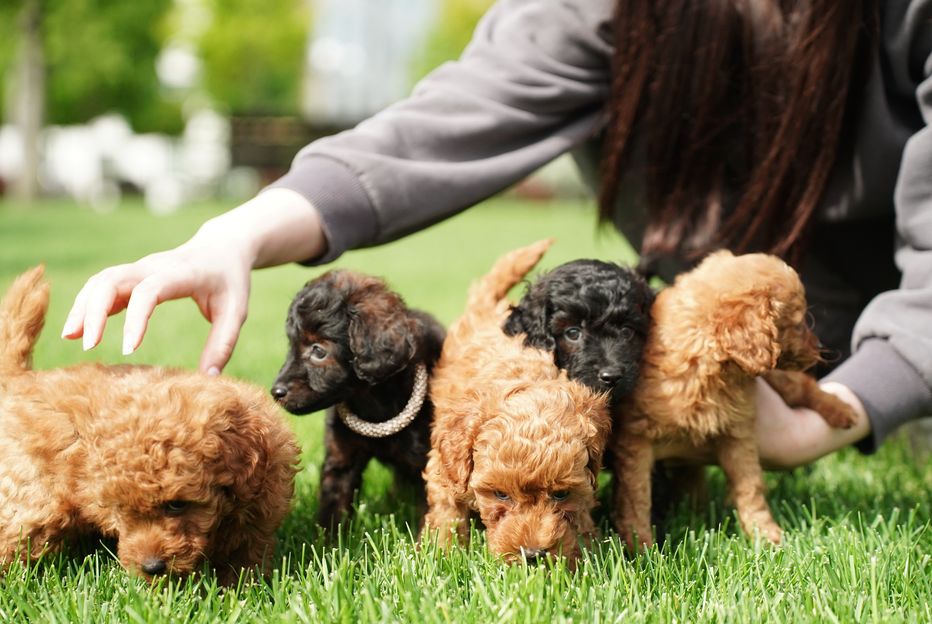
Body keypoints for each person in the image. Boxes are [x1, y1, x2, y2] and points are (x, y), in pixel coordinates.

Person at [62, 0, 932, 468]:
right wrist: (241, 233)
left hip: (893, 324)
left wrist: (838, 413)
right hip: (676, 335)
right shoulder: (601, 12)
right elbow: (449, 123)